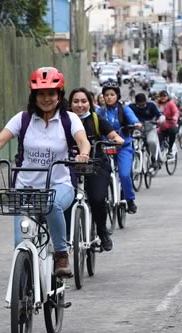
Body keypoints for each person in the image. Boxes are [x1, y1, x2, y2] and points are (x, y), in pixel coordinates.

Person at [0, 67, 91, 277]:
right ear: (34, 95)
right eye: (41, 93)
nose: (46, 98)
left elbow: (83, 142)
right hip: (25, 188)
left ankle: (61, 254)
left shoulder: (70, 119)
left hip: (60, 184)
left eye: (51, 93)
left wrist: (83, 154)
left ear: (59, 95)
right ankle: (25, 287)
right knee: (20, 242)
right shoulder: (23, 119)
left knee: (52, 204)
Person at [69, 87, 125, 251]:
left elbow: (115, 136)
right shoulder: (65, 121)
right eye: (76, 101)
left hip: (96, 165)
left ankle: (102, 231)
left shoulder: (96, 119)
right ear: (69, 103)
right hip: (70, 166)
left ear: (90, 103)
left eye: (84, 101)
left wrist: (116, 141)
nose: (80, 105)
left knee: (97, 199)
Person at [97, 80, 141, 214]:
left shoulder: (125, 109)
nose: (109, 97)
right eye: (106, 95)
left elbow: (133, 119)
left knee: (124, 174)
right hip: (105, 148)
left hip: (123, 148)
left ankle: (129, 200)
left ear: (117, 96)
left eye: (112, 94)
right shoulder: (100, 111)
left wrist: (136, 124)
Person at [128, 93, 165, 169]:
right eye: (139, 105)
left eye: (143, 104)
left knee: (152, 142)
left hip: (150, 128)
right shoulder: (131, 107)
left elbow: (159, 114)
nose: (142, 106)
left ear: (146, 102)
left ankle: (153, 158)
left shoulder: (151, 105)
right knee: (132, 143)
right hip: (137, 129)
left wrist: (161, 119)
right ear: (136, 103)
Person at [156, 90, 179, 156]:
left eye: (164, 96)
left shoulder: (171, 104)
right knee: (155, 136)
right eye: (161, 96)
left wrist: (174, 117)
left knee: (172, 131)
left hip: (170, 124)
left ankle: (170, 148)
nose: (163, 97)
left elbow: (176, 112)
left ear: (167, 97)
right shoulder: (158, 104)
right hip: (160, 126)